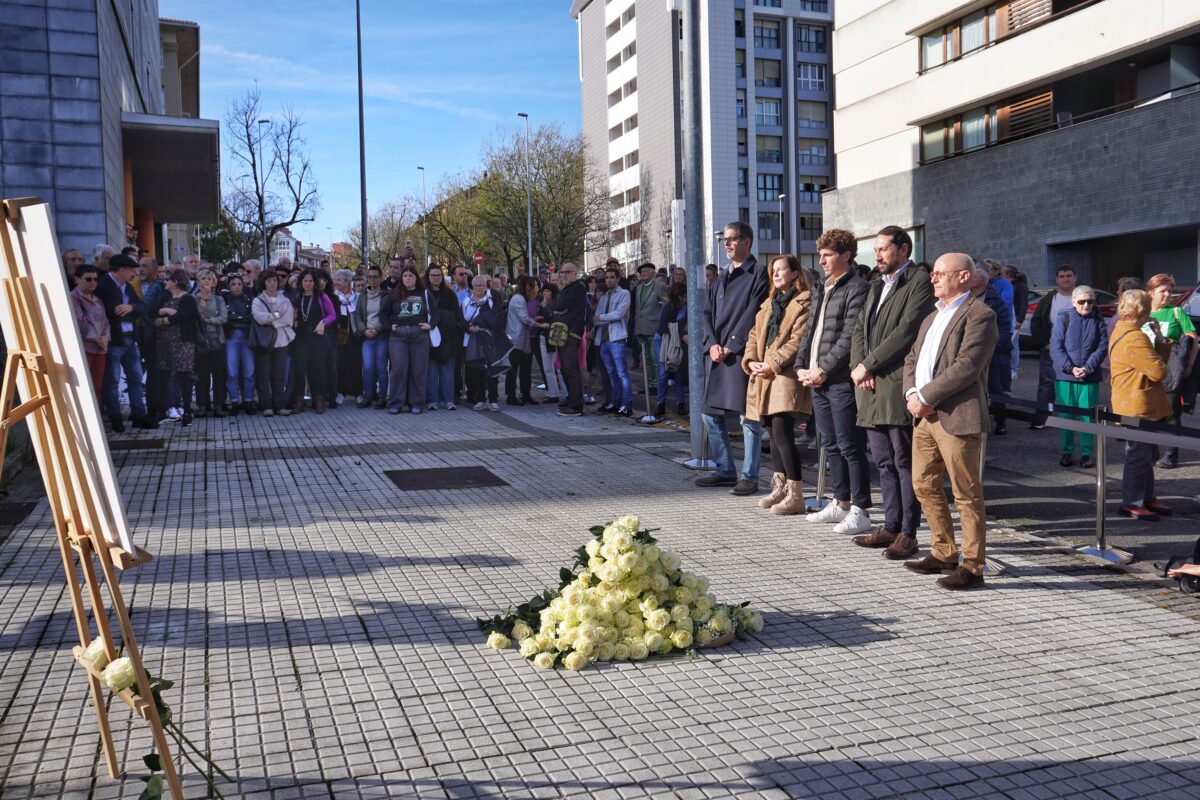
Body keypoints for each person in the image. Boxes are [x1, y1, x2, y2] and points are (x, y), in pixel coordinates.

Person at [901, 253, 997, 590]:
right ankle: (943, 551)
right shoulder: (932, 317)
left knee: (966, 494)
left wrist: (925, 397)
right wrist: (912, 393)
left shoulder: (980, 315)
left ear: (964, 277)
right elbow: (912, 358)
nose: (933, 278)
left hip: (956, 416)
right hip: (924, 416)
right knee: (924, 484)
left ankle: (973, 566)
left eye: (941, 273)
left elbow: (967, 366)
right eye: (935, 273)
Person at [848, 226, 934, 542]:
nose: (878, 255)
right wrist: (860, 366)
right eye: (876, 249)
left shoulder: (918, 282)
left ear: (903, 249)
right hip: (869, 385)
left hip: (895, 384)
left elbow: (906, 331)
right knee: (883, 461)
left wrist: (868, 364)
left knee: (903, 460)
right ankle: (890, 525)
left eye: (883, 248)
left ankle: (909, 532)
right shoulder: (875, 285)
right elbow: (859, 328)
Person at [795, 230, 878, 542]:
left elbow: (849, 336)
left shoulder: (857, 287)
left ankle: (861, 509)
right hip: (818, 378)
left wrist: (823, 369)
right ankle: (840, 502)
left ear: (846, 255)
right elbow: (810, 331)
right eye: (821, 254)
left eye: (828, 254)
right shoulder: (822, 287)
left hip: (840, 380)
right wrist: (801, 367)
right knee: (829, 444)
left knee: (850, 445)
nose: (822, 260)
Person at [696, 221, 770, 496]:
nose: (726, 244)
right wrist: (712, 344)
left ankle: (749, 476)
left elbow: (754, 312)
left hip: (739, 355)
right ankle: (726, 469)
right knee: (709, 414)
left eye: (732, 239)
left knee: (748, 418)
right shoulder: (721, 276)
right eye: (724, 240)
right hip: (717, 355)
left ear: (747, 241)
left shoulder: (759, 273)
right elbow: (706, 313)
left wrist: (732, 344)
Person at [743, 254, 813, 515]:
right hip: (763, 373)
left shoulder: (804, 302)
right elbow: (753, 334)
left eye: (781, 269)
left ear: (795, 273)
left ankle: (796, 493)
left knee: (783, 432)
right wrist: (751, 360)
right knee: (772, 432)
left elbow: (797, 341)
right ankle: (780, 487)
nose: (775, 274)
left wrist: (770, 363)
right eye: (773, 270)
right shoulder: (769, 304)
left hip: (784, 375)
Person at [1109, 289, 1173, 521]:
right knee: (1138, 455)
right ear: (1143, 309)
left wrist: (1159, 338)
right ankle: (1133, 502)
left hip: (1136, 403)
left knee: (1146, 454)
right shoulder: (1134, 337)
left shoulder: (1125, 330)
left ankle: (1146, 497)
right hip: (1137, 405)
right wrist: (1159, 345)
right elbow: (1159, 371)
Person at [95, 254, 154, 432]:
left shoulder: (127, 287)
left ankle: (138, 415)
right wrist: (132, 310)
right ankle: (115, 418)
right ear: (121, 270)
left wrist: (132, 308)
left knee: (136, 378)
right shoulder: (103, 286)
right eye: (131, 270)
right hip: (114, 340)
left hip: (130, 338)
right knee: (112, 380)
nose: (134, 273)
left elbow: (143, 308)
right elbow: (112, 313)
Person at [1050, 285, 1108, 468]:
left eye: (1090, 301)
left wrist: (1088, 367)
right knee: (1066, 415)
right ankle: (1067, 451)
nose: (1086, 305)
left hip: (1089, 377)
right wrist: (1070, 368)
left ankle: (1086, 453)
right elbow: (1055, 346)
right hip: (1065, 376)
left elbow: (1102, 347)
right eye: (1082, 301)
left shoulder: (1098, 319)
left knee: (1088, 417)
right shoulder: (1064, 318)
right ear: (1074, 302)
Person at [1145, 273, 1197, 469]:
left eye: (1170, 290)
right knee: (1149, 413)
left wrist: (1189, 366)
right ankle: (1151, 452)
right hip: (1147, 370)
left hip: (1170, 371)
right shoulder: (1143, 313)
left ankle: (1171, 454)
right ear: (1150, 293)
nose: (1167, 294)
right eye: (1162, 291)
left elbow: (1193, 340)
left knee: (1172, 414)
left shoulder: (1177, 312)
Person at [1029, 265, 1077, 428]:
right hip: (1052, 349)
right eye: (1062, 276)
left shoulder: (1082, 297)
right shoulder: (1049, 299)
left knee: (1074, 384)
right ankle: (1042, 419)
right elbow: (1036, 323)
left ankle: (1071, 420)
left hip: (1076, 351)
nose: (1065, 279)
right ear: (1057, 280)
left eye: (1068, 276)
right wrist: (1045, 343)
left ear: (1074, 278)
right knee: (1047, 384)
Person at [381, 266, 433, 414]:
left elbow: (436, 314)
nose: (408, 278)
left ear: (416, 278)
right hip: (398, 337)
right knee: (398, 370)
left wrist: (431, 325)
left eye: (411, 275)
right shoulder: (393, 294)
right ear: (401, 279)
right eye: (405, 276)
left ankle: (416, 403)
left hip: (419, 337)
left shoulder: (425, 293)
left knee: (418, 371)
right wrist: (389, 327)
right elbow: (383, 315)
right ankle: (395, 403)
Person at [152, 269, 201, 427]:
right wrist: (166, 311)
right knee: (166, 375)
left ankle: (187, 410)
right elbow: (154, 312)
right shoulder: (165, 297)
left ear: (175, 282)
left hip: (183, 341)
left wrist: (165, 317)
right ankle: (169, 407)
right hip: (165, 342)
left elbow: (182, 316)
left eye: (168, 280)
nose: (165, 282)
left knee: (183, 376)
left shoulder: (187, 299)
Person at [970, 267, 1014, 436]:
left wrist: (995, 345)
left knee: (995, 388)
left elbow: (1004, 324)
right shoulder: (964, 297)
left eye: (974, 276)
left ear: (983, 280)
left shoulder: (995, 299)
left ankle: (1001, 421)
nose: (970, 278)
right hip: (971, 351)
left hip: (992, 352)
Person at [289, 268, 336, 414]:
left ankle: (319, 399)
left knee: (318, 369)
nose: (308, 284)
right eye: (305, 281)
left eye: (311, 281)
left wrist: (323, 322)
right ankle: (299, 401)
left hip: (318, 337)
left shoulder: (321, 296)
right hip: (301, 338)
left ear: (315, 283)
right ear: (300, 282)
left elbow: (332, 315)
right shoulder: (297, 298)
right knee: (300, 369)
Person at [251, 271, 295, 417]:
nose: (272, 283)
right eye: (269, 281)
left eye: (274, 281)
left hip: (281, 341)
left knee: (279, 375)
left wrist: (272, 321)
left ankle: (280, 405)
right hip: (264, 341)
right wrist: (277, 315)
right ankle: (266, 406)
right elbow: (259, 318)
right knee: (263, 375)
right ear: (264, 283)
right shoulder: (258, 300)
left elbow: (288, 320)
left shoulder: (285, 300)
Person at [548, 263, 588, 416]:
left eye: (567, 272)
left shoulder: (577, 288)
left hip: (571, 333)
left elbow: (560, 305)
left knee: (571, 368)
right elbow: (558, 307)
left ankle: (576, 404)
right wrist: (557, 308)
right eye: (562, 272)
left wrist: (555, 306)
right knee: (564, 367)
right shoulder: (568, 288)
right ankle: (571, 398)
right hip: (562, 332)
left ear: (575, 273)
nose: (563, 275)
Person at [592, 267, 633, 415]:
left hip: (616, 339)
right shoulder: (603, 297)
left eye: (611, 277)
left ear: (618, 279)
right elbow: (595, 319)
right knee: (612, 374)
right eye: (607, 278)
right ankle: (615, 403)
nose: (609, 280)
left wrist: (602, 318)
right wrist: (601, 318)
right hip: (603, 340)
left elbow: (619, 314)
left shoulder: (624, 294)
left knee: (622, 373)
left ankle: (627, 404)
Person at [463, 274, 506, 411]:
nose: (478, 288)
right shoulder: (466, 301)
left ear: (486, 285)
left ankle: (493, 399)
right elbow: (461, 319)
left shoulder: (492, 300)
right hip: (473, 338)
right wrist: (469, 328)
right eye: (475, 285)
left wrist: (485, 327)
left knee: (491, 369)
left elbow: (499, 317)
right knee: (477, 369)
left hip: (489, 339)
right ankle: (480, 398)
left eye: (481, 285)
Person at [425, 264, 462, 410]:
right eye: (433, 275)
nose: (436, 278)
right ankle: (432, 401)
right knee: (432, 371)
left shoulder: (450, 294)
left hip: (448, 336)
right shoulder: (424, 293)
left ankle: (448, 400)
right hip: (430, 336)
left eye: (439, 275)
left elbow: (455, 315)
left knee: (447, 371)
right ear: (428, 277)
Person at [505, 275, 545, 406]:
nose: (538, 289)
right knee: (513, 369)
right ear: (529, 287)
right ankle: (511, 396)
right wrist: (540, 325)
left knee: (526, 369)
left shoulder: (521, 298)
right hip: (516, 340)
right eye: (536, 286)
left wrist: (535, 318)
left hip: (523, 340)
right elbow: (524, 318)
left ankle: (526, 394)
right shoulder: (518, 299)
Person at [70, 264, 109, 400]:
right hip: (84, 349)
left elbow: (105, 322)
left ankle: (96, 418)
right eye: (88, 279)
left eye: (95, 279)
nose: (92, 282)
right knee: (85, 386)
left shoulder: (97, 300)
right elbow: (80, 322)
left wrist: (105, 338)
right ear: (77, 280)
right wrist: (96, 339)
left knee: (97, 386)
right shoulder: (73, 298)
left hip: (100, 349)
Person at [193, 268, 228, 417]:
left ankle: (219, 404)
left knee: (219, 375)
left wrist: (208, 320)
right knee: (202, 375)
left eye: (209, 279)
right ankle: (202, 405)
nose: (206, 281)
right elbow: (195, 318)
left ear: (214, 282)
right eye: (203, 279)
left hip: (217, 341)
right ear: (198, 282)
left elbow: (223, 318)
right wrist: (202, 301)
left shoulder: (219, 299)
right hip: (200, 341)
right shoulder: (192, 298)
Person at [354, 266, 389, 409]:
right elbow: (358, 315)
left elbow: (389, 316)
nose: (372, 279)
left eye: (375, 276)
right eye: (370, 277)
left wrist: (378, 329)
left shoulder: (387, 295)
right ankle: (368, 396)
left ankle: (382, 397)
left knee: (381, 368)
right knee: (367, 368)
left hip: (382, 336)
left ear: (381, 278)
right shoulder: (363, 295)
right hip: (367, 336)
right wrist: (364, 330)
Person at [222, 274, 255, 414]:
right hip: (231, 338)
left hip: (247, 338)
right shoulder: (224, 300)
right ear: (229, 286)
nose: (236, 286)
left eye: (239, 284)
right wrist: (240, 319)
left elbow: (251, 317)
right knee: (232, 372)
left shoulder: (249, 299)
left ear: (243, 286)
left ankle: (248, 401)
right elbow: (226, 318)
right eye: (233, 284)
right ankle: (234, 401)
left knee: (249, 372)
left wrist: (238, 318)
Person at [654, 282, 689, 416]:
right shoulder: (668, 307)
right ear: (680, 297)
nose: (687, 298)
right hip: (664, 341)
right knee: (663, 373)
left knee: (678, 372)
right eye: (685, 296)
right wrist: (681, 334)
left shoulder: (687, 307)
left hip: (677, 341)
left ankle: (680, 404)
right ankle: (660, 403)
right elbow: (662, 327)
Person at [332, 268, 363, 405]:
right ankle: (341, 392)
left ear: (347, 282)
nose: (336, 282)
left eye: (339, 280)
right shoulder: (333, 297)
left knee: (356, 365)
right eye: (336, 279)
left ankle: (358, 392)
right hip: (339, 336)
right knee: (340, 365)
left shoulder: (357, 297)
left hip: (354, 336)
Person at [631, 262, 663, 396]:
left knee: (655, 358)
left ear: (652, 273)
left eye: (645, 271)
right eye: (641, 272)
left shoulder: (659, 287)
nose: (642, 273)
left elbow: (665, 305)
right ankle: (650, 383)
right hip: (640, 327)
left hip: (653, 326)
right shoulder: (638, 288)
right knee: (646, 358)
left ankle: (658, 385)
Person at [535, 284, 566, 405]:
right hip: (544, 335)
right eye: (544, 291)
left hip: (555, 335)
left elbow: (553, 315)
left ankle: (567, 393)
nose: (545, 293)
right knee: (548, 367)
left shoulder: (555, 303)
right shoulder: (541, 303)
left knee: (558, 367)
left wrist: (545, 310)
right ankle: (553, 394)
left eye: (548, 291)